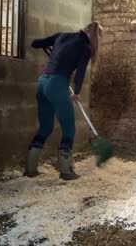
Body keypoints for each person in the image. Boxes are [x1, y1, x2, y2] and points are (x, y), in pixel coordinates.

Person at [24, 21, 103, 181]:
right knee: (69, 129)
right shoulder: (86, 48)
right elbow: (80, 73)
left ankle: (30, 169)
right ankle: (66, 171)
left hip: (42, 83)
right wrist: (78, 92)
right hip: (57, 84)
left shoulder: (62, 35)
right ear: (95, 36)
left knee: (45, 127)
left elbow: (35, 43)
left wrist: (53, 49)